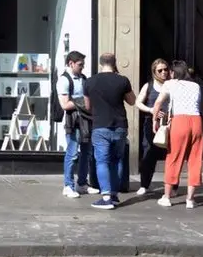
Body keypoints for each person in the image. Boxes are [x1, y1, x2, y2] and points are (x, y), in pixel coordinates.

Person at [83, 52, 136, 210]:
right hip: (120, 126)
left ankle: (106, 197)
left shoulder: (90, 82)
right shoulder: (122, 80)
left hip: (100, 126)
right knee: (116, 160)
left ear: (100, 63)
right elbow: (132, 101)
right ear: (115, 63)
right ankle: (114, 194)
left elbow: (87, 106)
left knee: (102, 161)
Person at [152, 60, 203, 209]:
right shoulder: (196, 85)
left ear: (174, 72)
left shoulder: (170, 84)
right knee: (195, 160)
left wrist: (155, 121)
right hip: (196, 120)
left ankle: (167, 197)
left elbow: (158, 103)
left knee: (174, 158)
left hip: (180, 121)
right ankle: (190, 199)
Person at [57, 51, 98, 198]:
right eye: (80, 64)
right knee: (72, 152)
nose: (82, 67)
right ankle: (68, 185)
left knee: (86, 152)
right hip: (73, 121)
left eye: (83, 64)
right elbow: (65, 104)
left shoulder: (83, 78)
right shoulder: (64, 80)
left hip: (86, 120)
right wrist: (83, 102)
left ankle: (81, 184)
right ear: (71, 63)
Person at [135, 58, 170, 195]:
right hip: (151, 123)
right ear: (154, 72)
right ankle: (144, 184)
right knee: (148, 153)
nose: (163, 73)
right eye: (160, 70)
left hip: (169, 123)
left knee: (171, 154)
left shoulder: (172, 85)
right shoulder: (148, 85)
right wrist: (151, 110)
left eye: (165, 69)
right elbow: (138, 102)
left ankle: (172, 185)